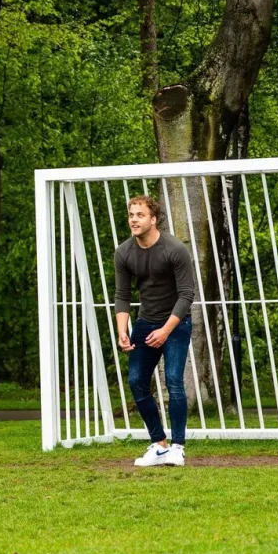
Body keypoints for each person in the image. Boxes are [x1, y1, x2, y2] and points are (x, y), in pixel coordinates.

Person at [114, 194, 195, 468]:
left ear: (153, 218)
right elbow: (122, 296)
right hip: (145, 323)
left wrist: (165, 330)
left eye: (140, 215)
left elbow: (186, 296)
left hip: (175, 323)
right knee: (136, 381)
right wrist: (122, 330)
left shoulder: (174, 249)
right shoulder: (124, 252)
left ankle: (178, 447)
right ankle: (159, 444)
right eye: (131, 215)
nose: (134, 220)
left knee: (173, 380)